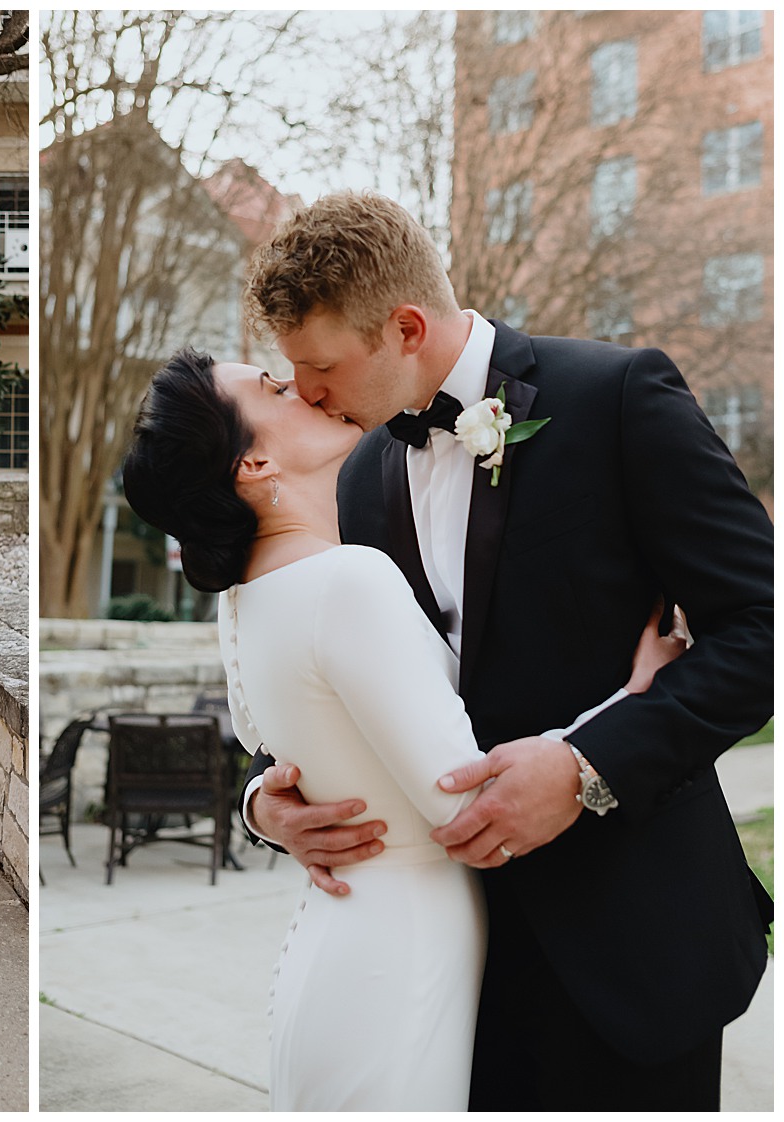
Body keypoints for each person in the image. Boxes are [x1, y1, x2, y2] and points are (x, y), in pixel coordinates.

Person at [237, 192, 772, 1109]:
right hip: (441, 964)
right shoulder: (357, 472)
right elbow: (307, 673)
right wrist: (264, 802)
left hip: (624, 946)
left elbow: (763, 630)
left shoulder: (616, 397)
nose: (309, 393)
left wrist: (585, 766)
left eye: (320, 366)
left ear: (405, 326)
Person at [121, 348, 683, 1109]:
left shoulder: (246, 599)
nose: (306, 387)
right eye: (276, 389)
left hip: (341, 938)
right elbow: (464, 806)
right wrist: (635, 694)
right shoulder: (350, 579)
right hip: (400, 953)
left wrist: (262, 808)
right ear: (252, 463)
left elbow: (279, 748)